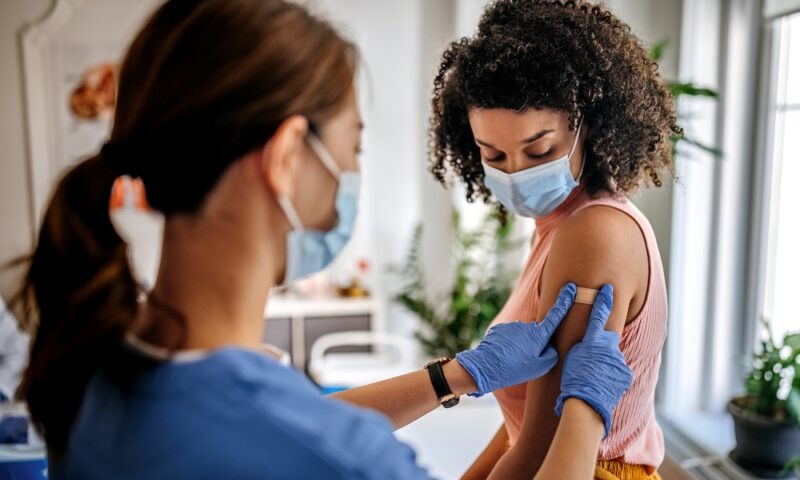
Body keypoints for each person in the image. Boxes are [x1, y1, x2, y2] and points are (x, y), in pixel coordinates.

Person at [12, 1, 632, 478]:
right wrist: (583, 410)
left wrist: (459, 374)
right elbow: (297, 436)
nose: (355, 172)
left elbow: (272, 424)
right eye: (352, 147)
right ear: (285, 159)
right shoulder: (341, 460)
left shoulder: (86, 367)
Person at [429, 0, 679, 478]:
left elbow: (538, 453)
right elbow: (518, 432)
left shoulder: (593, 233)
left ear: (588, 122)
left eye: (538, 149)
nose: (518, 174)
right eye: (494, 155)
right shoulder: (554, 226)